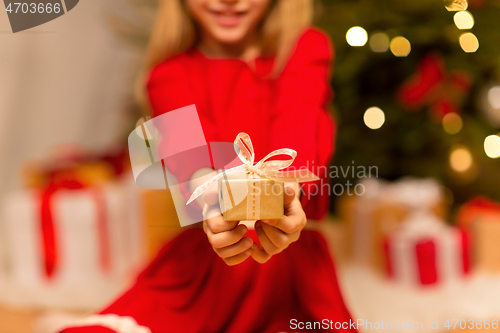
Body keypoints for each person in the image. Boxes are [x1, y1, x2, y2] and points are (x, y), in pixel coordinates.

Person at [60, 0, 355, 332]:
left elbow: (298, 127)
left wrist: (287, 197)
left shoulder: (303, 48)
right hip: (207, 267)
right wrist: (213, 200)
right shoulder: (167, 74)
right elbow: (193, 158)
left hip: (296, 272)